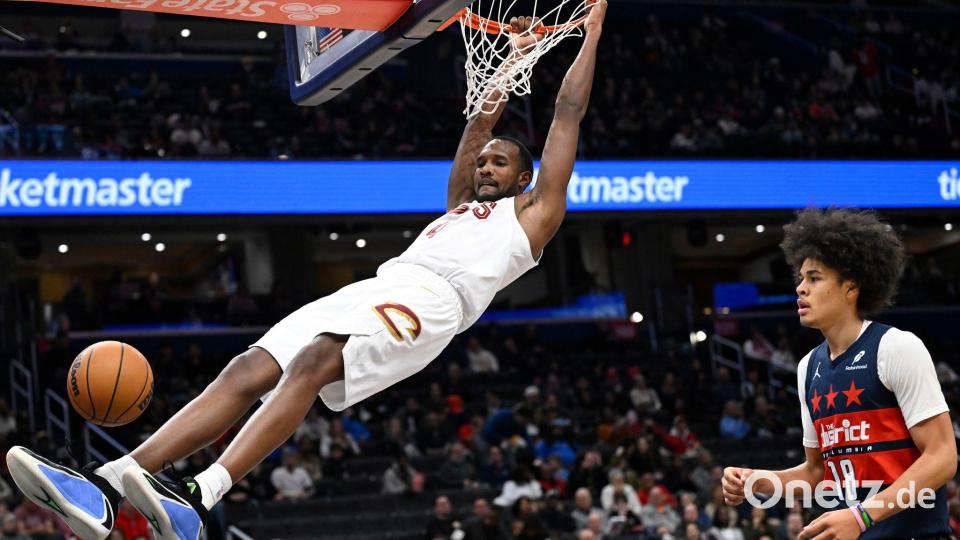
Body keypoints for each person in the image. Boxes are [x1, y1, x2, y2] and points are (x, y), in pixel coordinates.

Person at [4, 4, 608, 540]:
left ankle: (199, 495)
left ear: (525, 177)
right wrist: (513, 62)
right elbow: (477, 125)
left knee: (318, 359)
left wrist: (592, 32)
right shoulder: (459, 206)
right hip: (381, 284)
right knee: (249, 367)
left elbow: (569, 113)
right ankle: (107, 486)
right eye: (483, 162)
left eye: (499, 162)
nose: (485, 166)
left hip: (434, 305)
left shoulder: (534, 213)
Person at [721, 209, 955, 540]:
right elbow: (818, 471)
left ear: (851, 287)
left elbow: (943, 457)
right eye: (800, 279)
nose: (801, 288)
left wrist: (862, 517)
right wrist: (761, 481)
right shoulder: (807, 367)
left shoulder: (896, 347)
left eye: (814, 278)